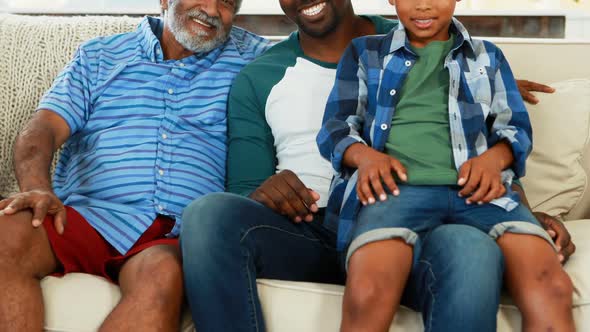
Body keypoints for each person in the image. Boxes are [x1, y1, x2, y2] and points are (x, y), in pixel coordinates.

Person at [180, 0, 575, 331]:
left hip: (425, 216)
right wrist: (265, 191)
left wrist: (522, 211)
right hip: (316, 226)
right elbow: (246, 186)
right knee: (207, 214)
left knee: (469, 246)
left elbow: (481, 125)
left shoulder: (420, 37)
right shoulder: (260, 75)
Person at [0, 0, 270, 331]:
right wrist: (37, 187)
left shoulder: (255, 60)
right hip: (88, 215)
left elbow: (319, 53)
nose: (212, 10)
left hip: (176, 231)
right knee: (5, 235)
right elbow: (42, 130)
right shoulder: (99, 57)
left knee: (162, 279)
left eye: (227, 3)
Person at [317, 0, 575, 331]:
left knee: (552, 287)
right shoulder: (366, 53)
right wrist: (365, 157)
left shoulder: (487, 56)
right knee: (368, 290)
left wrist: (494, 159)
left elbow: (516, 128)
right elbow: (335, 128)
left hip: (481, 191)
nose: (423, 6)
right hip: (396, 192)